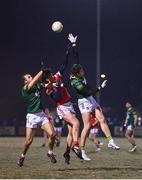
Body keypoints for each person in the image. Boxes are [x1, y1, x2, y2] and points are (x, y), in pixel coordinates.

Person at [69, 34, 120, 161]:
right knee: (86, 126)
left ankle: (111, 141)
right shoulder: (76, 83)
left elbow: (76, 59)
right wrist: (100, 87)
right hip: (83, 101)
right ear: (77, 73)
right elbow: (88, 92)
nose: (83, 71)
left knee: (102, 118)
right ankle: (82, 150)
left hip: (89, 98)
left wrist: (73, 44)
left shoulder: (77, 73)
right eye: (81, 71)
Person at [42, 36, 82, 164]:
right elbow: (57, 98)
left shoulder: (56, 78)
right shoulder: (48, 88)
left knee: (71, 131)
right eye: (49, 76)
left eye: (51, 75)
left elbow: (63, 65)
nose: (52, 76)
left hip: (69, 105)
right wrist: (57, 86)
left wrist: (67, 50)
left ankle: (66, 152)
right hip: (62, 108)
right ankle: (76, 146)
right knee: (76, 124)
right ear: (46, 79)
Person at [17, 70, 57, 167]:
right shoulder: (25, 88)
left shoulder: (37, 86)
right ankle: (22, 156)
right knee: (29, 141)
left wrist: (51, 80)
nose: (31, 78)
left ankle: (50, 152)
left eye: (31, 76)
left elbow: (49, 86)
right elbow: (35, 80)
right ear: (25, 81)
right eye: (28, 77)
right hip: (32, 116)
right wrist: (42, 71)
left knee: (52, 134)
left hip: (41, 115)